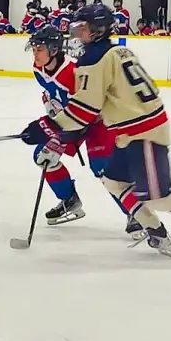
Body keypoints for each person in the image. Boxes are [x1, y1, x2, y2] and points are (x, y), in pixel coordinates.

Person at [23, 3, 171, 259]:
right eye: (76, 29)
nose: (77, 35)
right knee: (113, 181)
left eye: (83, 29)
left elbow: (85, 111)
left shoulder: (92, 60)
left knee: (159, 198)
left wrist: (46, 127)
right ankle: (154, 229)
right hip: (132, 129)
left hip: (142, 132)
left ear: (98, 30)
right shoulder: (118, 50)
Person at [24, 26, 135, 233]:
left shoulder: (74, 72)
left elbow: (92, 107)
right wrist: (52, 111)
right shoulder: (39, 69)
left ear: (54, 49)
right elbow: (53, 95)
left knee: (104, 170)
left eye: (39, 49)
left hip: (100, 119)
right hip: (73, 120)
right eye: (34, 49)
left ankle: (136, 215)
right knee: (44, 156)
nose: (35, 54)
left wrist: (61, 130)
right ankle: (69, 200)